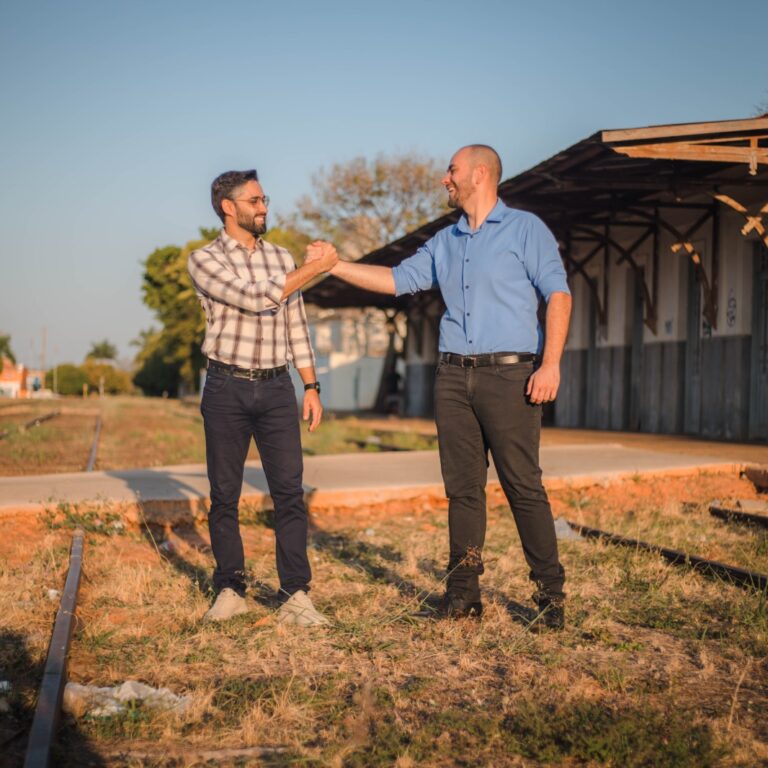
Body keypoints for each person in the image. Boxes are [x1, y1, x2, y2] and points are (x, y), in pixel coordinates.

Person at [312, 145, 572, 630]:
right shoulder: (445, 241)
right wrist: (335, 265)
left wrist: (551, 364)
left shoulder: (525, 229)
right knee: (463, 491)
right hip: (452, 377)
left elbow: (558, 293)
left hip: (510, 376)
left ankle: (550, 596)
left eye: (451, 171)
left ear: (479, 173)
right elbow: (396, 279)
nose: (444, 179)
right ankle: (462, 596)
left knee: (522, 486)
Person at [188, 169, 338, 627]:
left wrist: (310, 386)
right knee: (224, 495)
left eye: (264, 199)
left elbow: (296, 325)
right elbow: (254, 297)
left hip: (276, 388)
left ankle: (295, 594)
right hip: (225, 387)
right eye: (254, 201)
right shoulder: (204, 259)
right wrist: (316, 268)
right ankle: (231, 588)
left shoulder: (280, 257)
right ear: (227, 207)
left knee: (289, 492)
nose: (264, 208)